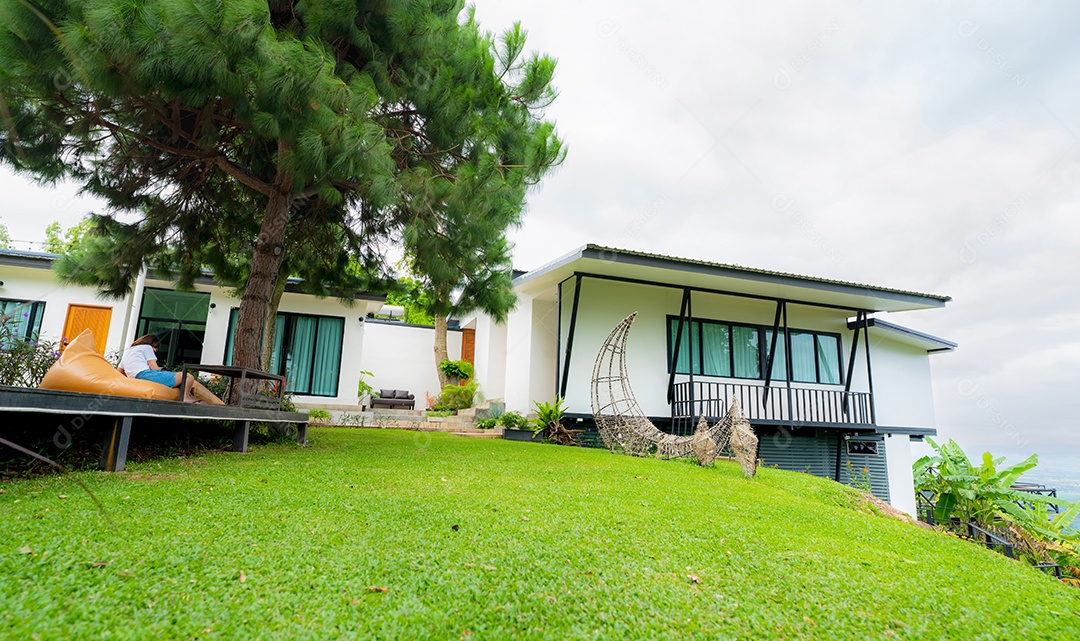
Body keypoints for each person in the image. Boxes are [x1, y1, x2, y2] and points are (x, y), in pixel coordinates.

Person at [118, 334, 214, 403]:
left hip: (136, 379)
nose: (155, 351)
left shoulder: (128, 352)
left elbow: (120, 372)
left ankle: (188, 396)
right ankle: (185, 397)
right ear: (152, 344)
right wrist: (163, 370)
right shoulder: (147, 347)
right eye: (155, 348)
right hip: (148, 375)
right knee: (188, 376)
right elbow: (154, 368)